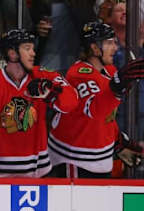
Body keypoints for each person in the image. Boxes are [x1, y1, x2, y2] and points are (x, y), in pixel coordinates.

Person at [0, 28, 79, 177]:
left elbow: (72, 102)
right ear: (13, 53)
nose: (33, 53)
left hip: (39, 171)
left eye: (33, 48)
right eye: (27, 48)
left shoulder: (43, 76)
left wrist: (49, 93)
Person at [48, 22, 144, 178]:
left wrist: (117, 142)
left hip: (100, 160)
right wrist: (118, 86)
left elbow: (107, 116)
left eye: (114, 42)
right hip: (73, 159)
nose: (115, 47)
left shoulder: (109, 71)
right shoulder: (79, 74)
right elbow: (94, 110)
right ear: (94, 48)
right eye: (108, 43)